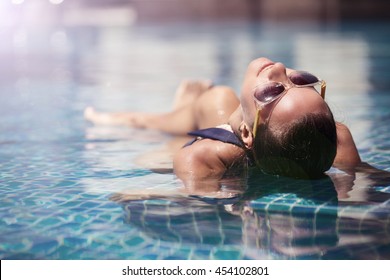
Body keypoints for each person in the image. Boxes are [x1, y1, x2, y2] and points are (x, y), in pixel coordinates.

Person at [84, 57, 361, 187]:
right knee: (218, 99)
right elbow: (367, 181)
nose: (279, 69)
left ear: (245, 132)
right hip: (221, 113)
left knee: (164, 128)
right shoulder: (336, 139)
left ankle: (185, 102)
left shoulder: (200, 157)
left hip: (214, 125)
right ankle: (191, 101)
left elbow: (186, 199)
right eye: (301, 80)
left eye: (271, 91)